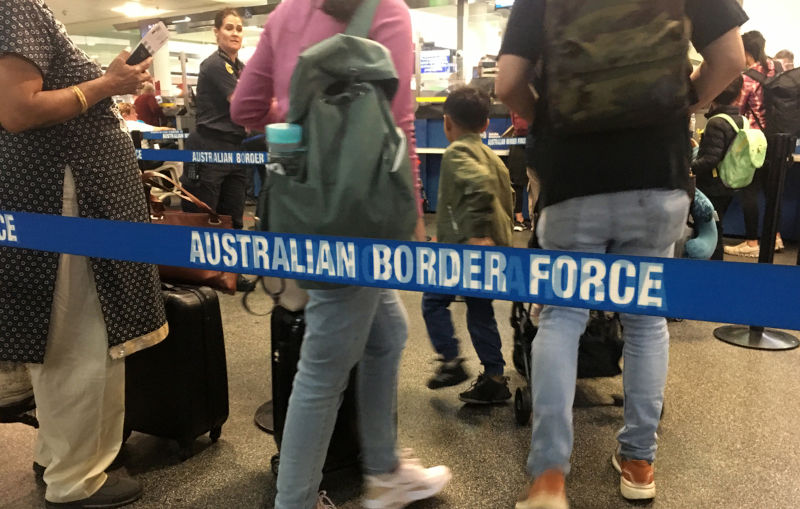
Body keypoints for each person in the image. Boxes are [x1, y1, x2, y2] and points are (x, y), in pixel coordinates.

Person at [495, 0, 747, 507]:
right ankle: (637, 460)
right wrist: (682, 103)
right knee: (645, 318)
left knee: (562, 315)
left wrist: (551, 116)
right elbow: (732, 59)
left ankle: (548, 477)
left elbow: (506, 84)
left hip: (573, 172)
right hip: (658, 168)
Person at [230, 0, 451, 508]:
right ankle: (298, 500)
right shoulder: (386, 10)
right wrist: (413, 214)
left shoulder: (285, 13)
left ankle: (384, 466)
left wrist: (297, 118)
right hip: (359, 211)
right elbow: (396, 124)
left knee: (387, 333)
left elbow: (243, 110)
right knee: (324, 365)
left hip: (302, 206)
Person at [0, 1, 169, 508]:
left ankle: (60, 456)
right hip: (65, 195)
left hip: (56, 194)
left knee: (61, 335)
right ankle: (78, 479)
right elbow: (18, 110)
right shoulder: (16, 6)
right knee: (81, 337)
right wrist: (106, 85)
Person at [422, 87, 513, 404]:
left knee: (433, 300)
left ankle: (451, 361)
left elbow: (479, 186)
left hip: (467, 252)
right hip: (493, 251)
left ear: (447, 122)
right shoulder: (493, 157)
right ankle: (494, 376)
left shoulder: (457, 152)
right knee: (479, 310)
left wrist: (474, 233)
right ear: (486, 125)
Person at [180, 8, 254, 291]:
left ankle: (230, 273)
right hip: (208, 148)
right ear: (216, 32)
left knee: (233, 214)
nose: (235, 33)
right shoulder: (213, 65)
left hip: (236, 149)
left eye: (238, 28)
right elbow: (241, 102)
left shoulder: (242, 67)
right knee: (204, 212)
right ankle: (200, 273)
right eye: (229, 28)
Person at [725, 30, 784, 258]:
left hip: (754, 141)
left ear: (745, 50)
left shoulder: (748, 77)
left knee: (749, 189)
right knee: (773, 191)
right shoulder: (777, 68)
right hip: (778, 140)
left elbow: (738, 109)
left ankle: (751, 242)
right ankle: (775, 236)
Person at [691, 76, 745, 261]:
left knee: (709, 229)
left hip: (711, 186)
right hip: (730, 182)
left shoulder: (716, 122)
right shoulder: (740, 120)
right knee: (717, 227)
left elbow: (710, 159)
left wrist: (688, 168)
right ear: (738, 96)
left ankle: (710, 267)